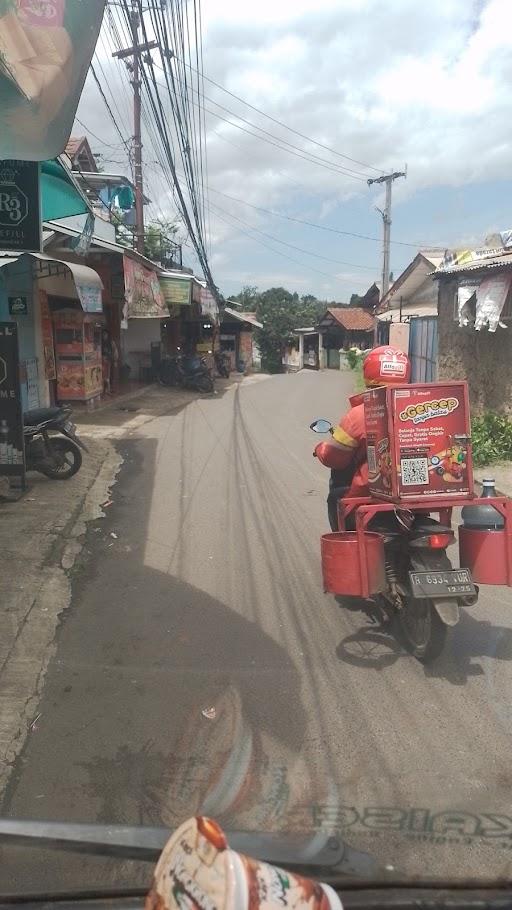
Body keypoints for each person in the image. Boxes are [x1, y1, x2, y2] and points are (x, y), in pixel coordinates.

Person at [314, 346, 411, 530]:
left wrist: (320, 449)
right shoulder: (422, 407)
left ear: (368, 372)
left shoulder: (358, 414)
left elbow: (335, 458)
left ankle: (344, 545)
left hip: (368, 492)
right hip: (418, 491)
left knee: (335, 498)